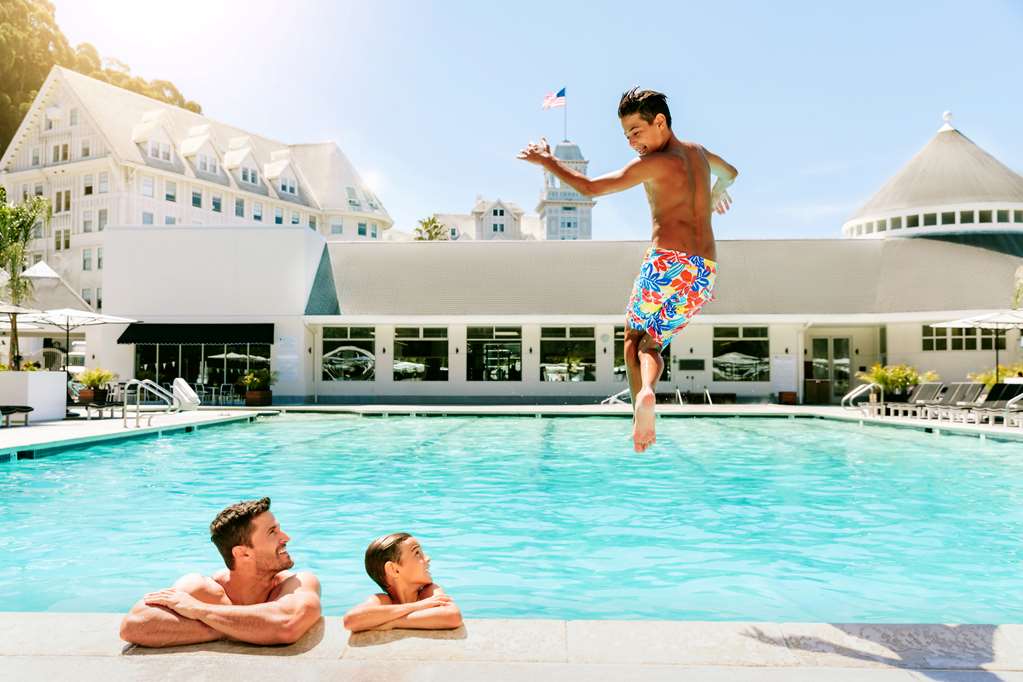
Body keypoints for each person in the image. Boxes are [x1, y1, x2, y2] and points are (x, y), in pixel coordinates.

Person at [518, 87, 738, 453]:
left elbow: (590, 188)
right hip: (704, 272)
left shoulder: (655, 163)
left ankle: (642, 410)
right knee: (654, 341)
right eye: (626, 136)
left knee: (631, 340)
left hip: (667, 262)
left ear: (660, 122)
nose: (632, 142)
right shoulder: (699, 154)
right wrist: (717, 192)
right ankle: (649, 395)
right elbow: (731, 172)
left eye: (636, 132)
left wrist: (548, 162)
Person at [119, 497, 321, 647]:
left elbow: (287, 625)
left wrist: (201, 611)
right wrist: (252, 629)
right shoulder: (203, 587)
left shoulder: (298, 582)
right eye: (272, 532)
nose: (286, 537)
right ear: (243, 553)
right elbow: (134, 626)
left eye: (279, 529)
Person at [343, 533, 462, 632]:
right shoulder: (382, 600)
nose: (427, 558)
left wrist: (395, 622)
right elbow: (351, 620)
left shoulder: (429, 591)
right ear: (394, 570)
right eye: (417, 553)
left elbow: (453, 617)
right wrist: (418, 606)